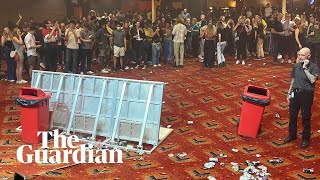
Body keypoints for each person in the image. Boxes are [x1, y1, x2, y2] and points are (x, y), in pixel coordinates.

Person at [285, 47, 319, 148]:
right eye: (299, 55)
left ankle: (305, 138)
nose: (299, 57)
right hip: (295, 93)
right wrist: (289, 93)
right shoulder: (296, 66)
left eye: (302, 55)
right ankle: (292, 135)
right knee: (293, 115)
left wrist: (305, 68)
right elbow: (293, 80)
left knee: (305, 117)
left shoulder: (314, 66)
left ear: (308, 56)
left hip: (306, 94)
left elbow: (313, 80)